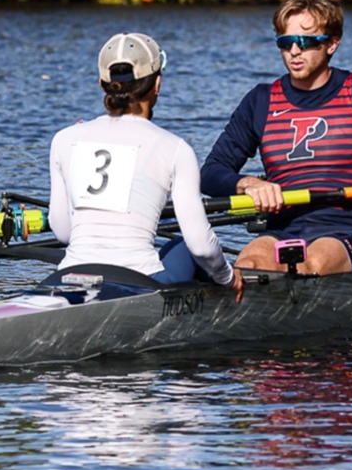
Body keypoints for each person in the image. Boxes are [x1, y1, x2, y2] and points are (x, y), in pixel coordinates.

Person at [201, 0, 352, 275]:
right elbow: (211, 172)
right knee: (247, 266)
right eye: (285, 42)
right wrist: (248, 184)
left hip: (342, 231)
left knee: (309, 266)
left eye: (305, 42)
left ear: (332, 43)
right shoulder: (261, 100)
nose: (294, 51)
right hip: (281, 228)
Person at [47, 32, 241, 300]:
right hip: (140, 282)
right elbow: (201, 247)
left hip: (69, 274)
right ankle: (212, 303)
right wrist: (227, 277)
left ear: (102, 84)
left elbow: (62, 231)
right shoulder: (175, 148)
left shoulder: (64, 138)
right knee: (183, 246)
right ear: (156, 84)